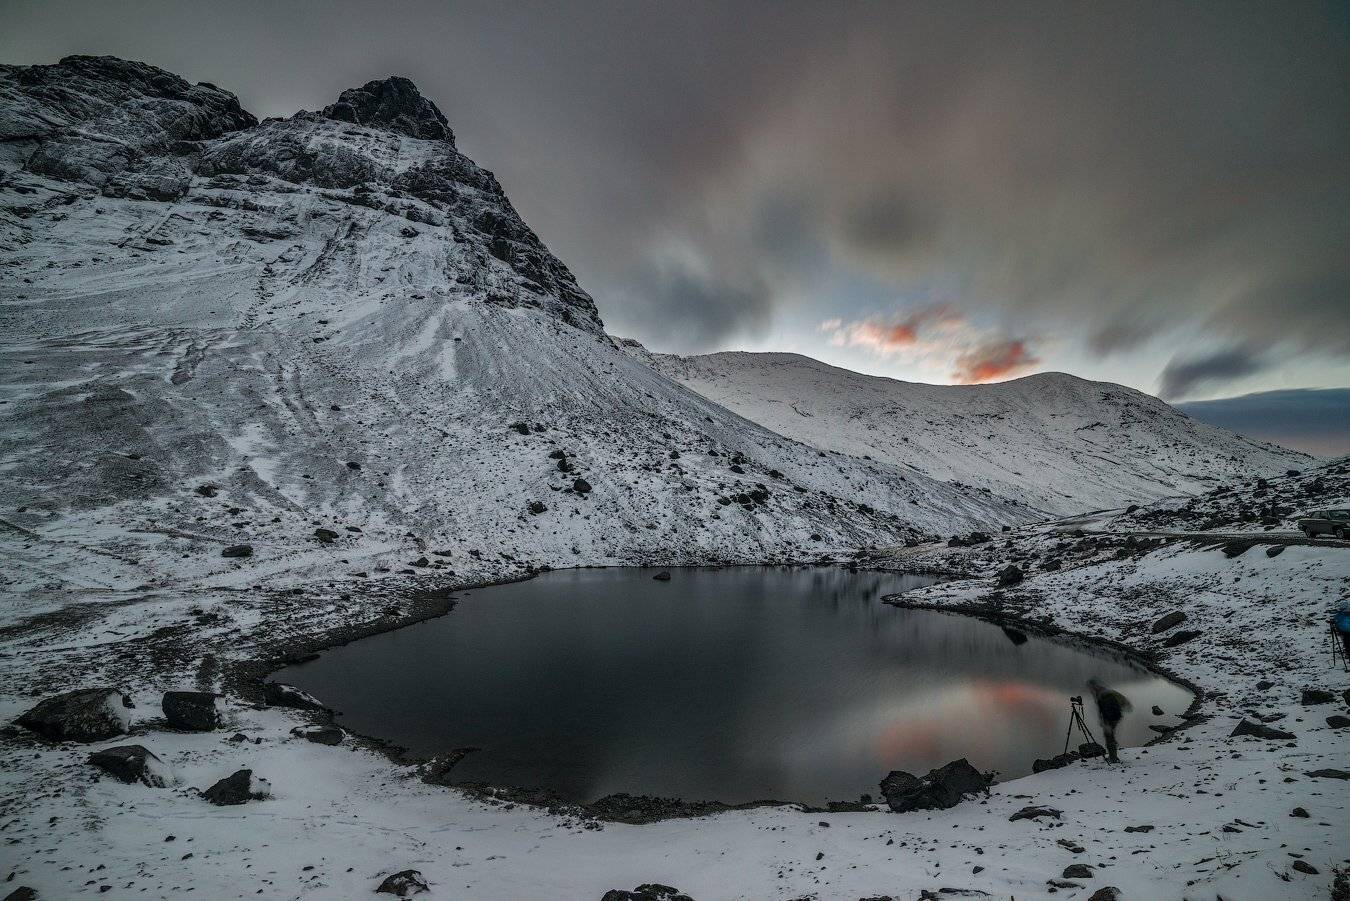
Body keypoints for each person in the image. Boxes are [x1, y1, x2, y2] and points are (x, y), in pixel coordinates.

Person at [1087, 678, 1133, 763]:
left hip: (1111, 718)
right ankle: (1113, 753)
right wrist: (1102, 719)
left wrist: (1107, 722)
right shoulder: (1102, 693)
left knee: (1109, 737)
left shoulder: (1104, 695)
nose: (1090, 689)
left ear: (1094, 686)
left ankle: (1113, 758)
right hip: (1113, 717)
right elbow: (1102, 709)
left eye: (1090, 687)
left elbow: (1108, 709)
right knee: (1109, 736)